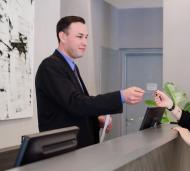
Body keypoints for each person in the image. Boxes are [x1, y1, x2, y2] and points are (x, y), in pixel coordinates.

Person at [35, 16, 145, 148]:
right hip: (63, 153)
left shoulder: (71, 67)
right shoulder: (50, 66)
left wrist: (96, 119)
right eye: (79, 36)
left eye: (86, 37)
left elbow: (75, 109)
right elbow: (76, 103)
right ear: (63, 36)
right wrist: (121, 96)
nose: (85, 42)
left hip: (78, 151)